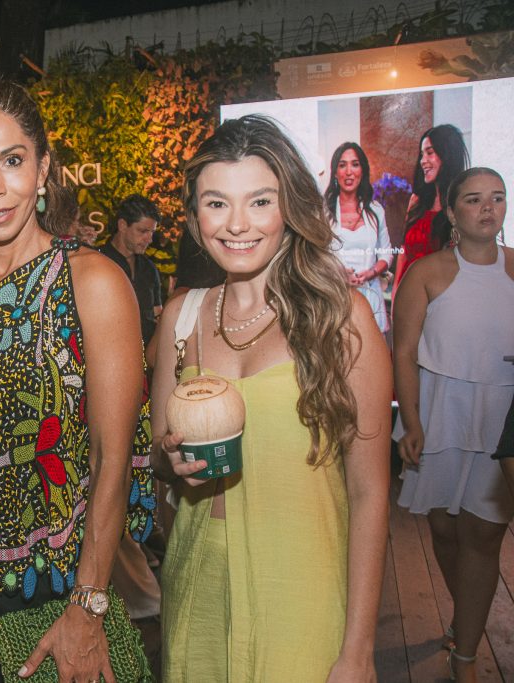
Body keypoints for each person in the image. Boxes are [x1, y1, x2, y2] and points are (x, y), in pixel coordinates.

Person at [0, 80, 155, 683]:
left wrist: (88, 605)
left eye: (11, 161)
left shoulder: (91, 281)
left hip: (46, 589)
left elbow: (110, 456)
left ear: (43, 169)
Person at [151, 115, 392, 682]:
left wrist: (357, 650)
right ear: (193, 216)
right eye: (216, 203)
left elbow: (370, 492)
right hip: (197, 590)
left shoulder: (342, 321)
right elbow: (160, 459)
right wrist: (171, 460)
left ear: (291, 208)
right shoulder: (180, 319)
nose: (237, 224)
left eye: (260, 201)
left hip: (303, 593)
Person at [392, 167, 513, 682]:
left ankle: (465, 654)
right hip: (441, 411)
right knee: (443, 527)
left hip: (503, 418)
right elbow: (402, 351)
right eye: (474, 199)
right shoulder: (426, 273)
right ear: (453, 211)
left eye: (498, 198)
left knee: (484, 536)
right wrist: (413, 420)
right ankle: (468, 616)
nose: (489, 208)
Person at [324, 142, 392, 332]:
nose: (349, 171)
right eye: (342, 165)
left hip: (370, 293)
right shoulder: (323, 212)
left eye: (355, 164)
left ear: (362, 170)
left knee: (373, 357)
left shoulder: (376, 210)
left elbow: (386, 253)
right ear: (335, 173)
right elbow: (314, 256)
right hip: (336, 296)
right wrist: (338, 272)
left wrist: (371, 273)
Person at [394, 124, 468, 287]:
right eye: (422, 154)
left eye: (429, 153)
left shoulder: (462, 206)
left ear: (447, 155)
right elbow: (403, 253)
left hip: (440, 297)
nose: (423, 161)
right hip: (408, 295)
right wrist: (395, 295)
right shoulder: (416, 201)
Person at [98, 194, 164, 347]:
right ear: (122, 225)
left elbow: (156, 314)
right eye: (142, 231)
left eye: (152, 232)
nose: (149, 239)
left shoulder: (149, 268)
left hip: (146, 360)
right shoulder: (99, 263)